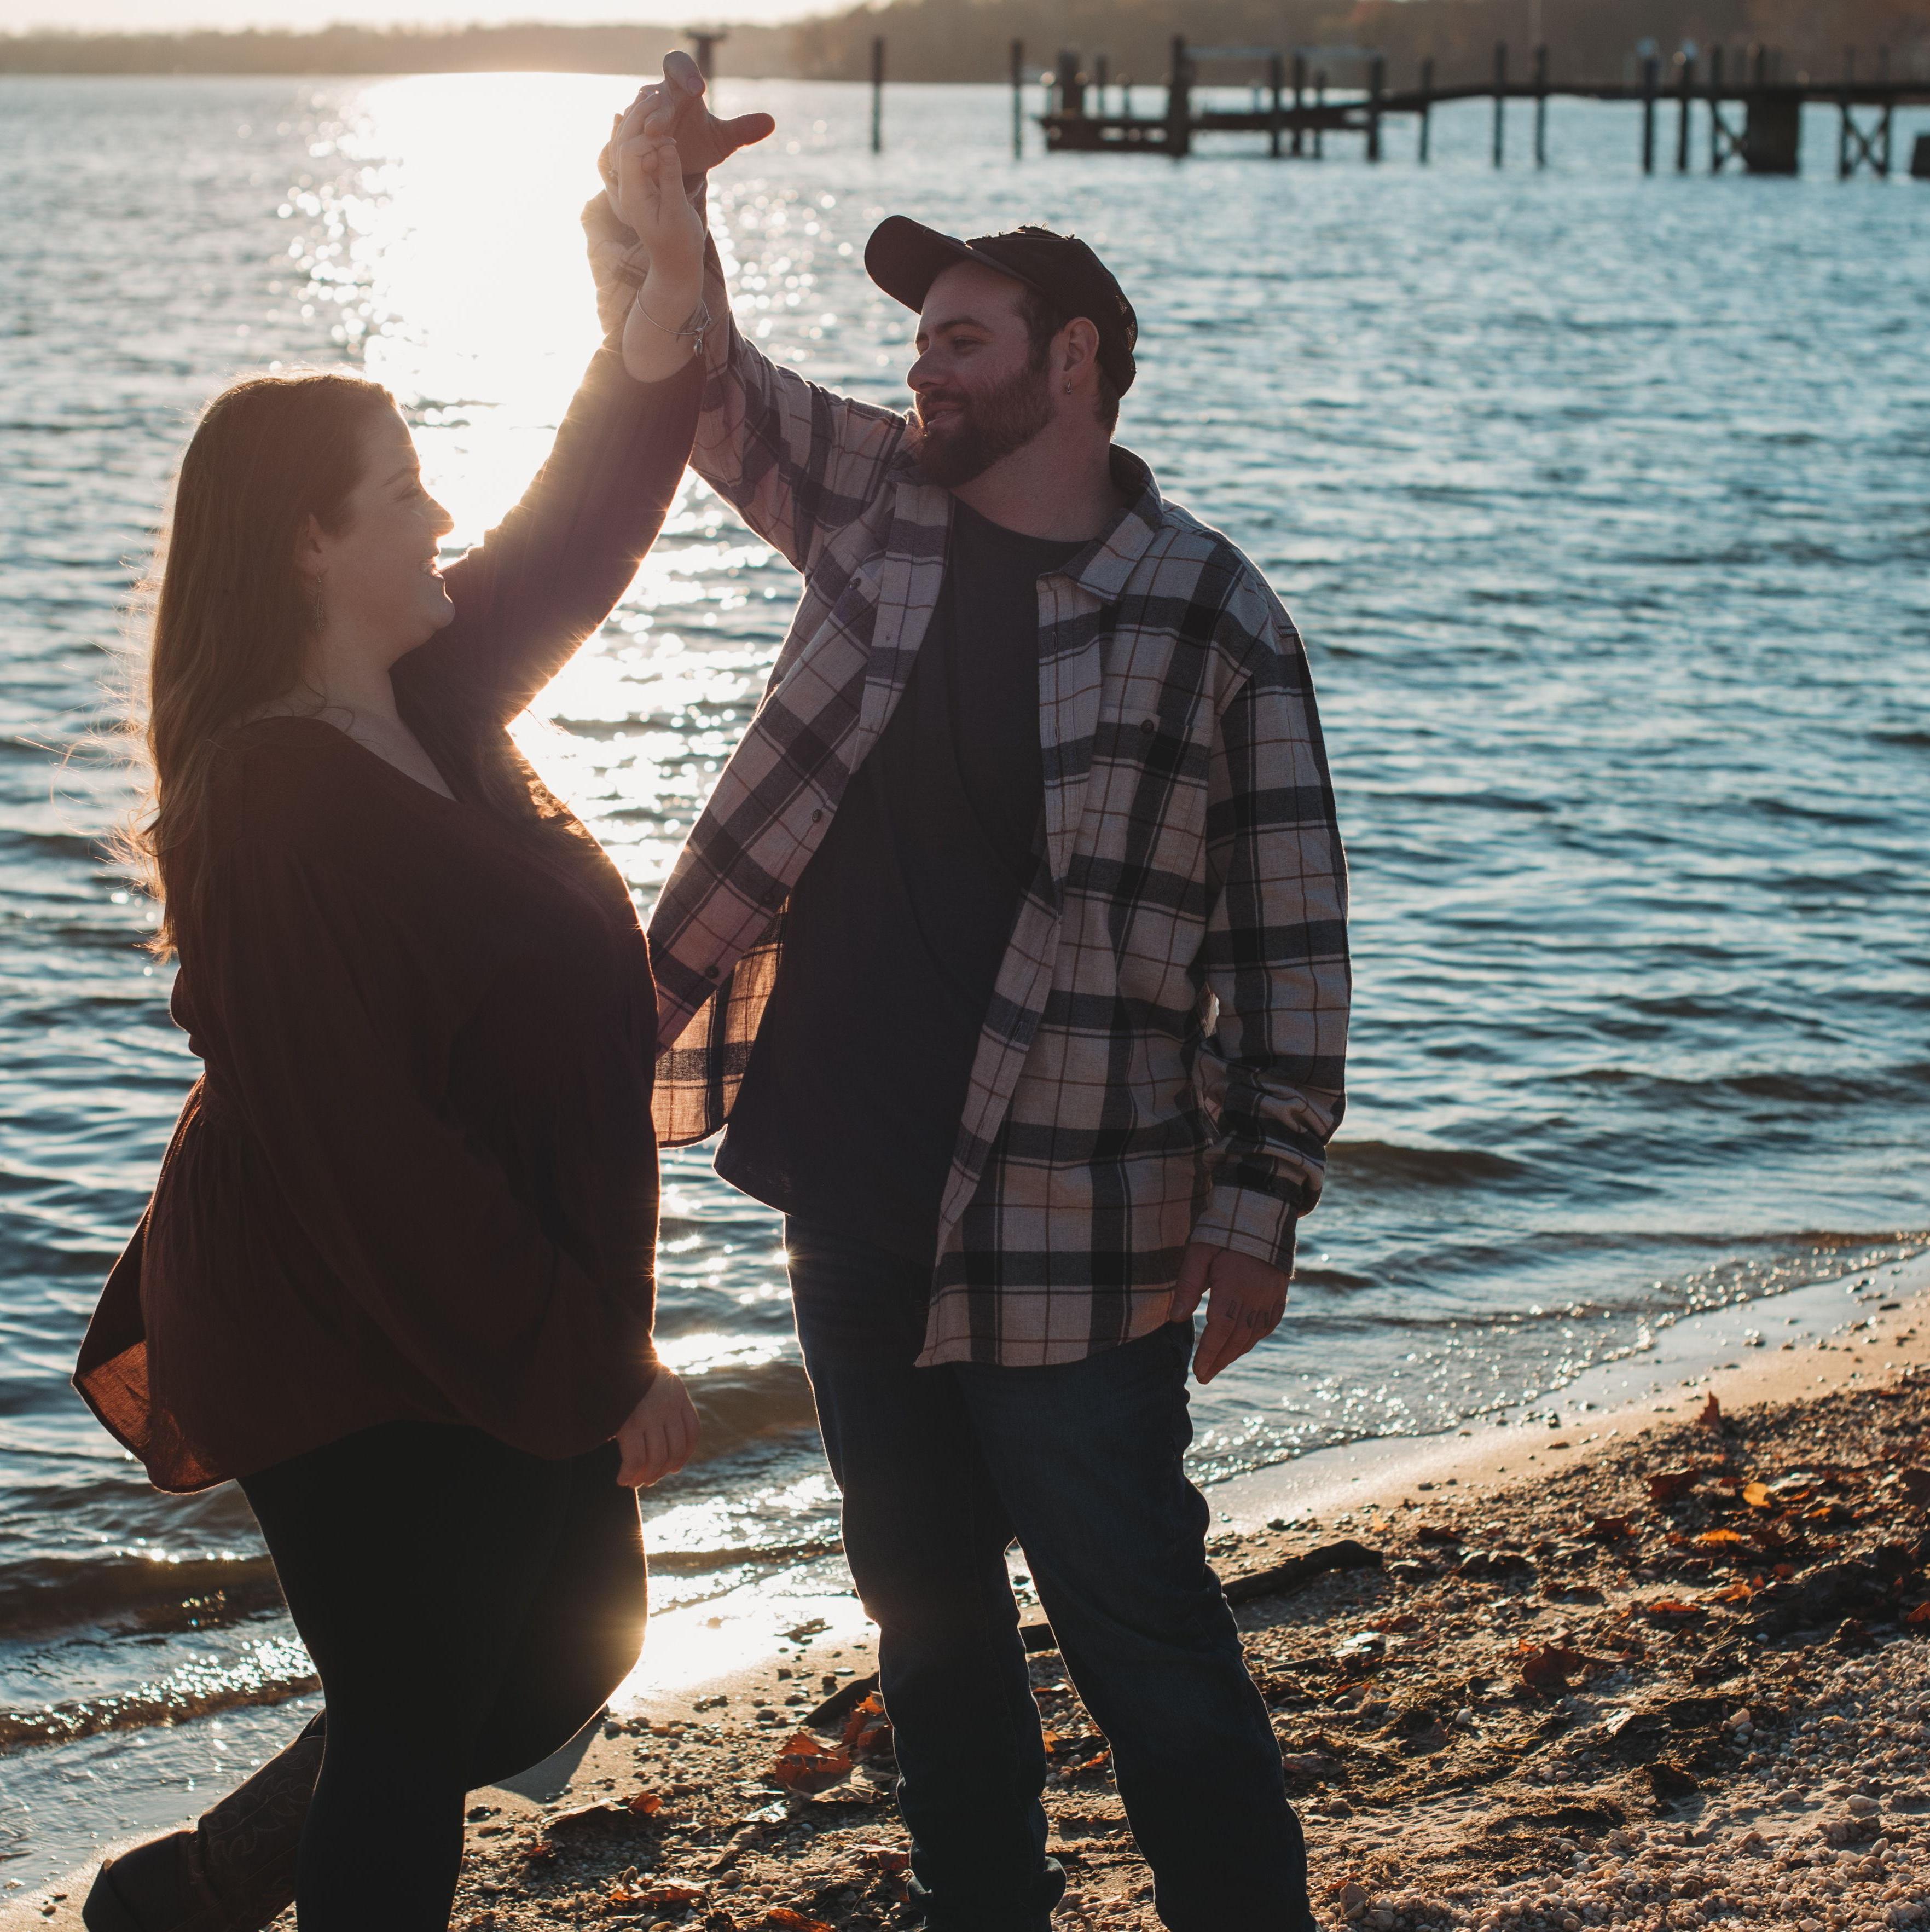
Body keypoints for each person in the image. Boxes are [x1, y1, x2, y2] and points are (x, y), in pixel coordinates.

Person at [606, 56, 1350, 1932]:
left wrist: (1257, 1214)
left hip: (1075, 1215)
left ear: (1077, 358)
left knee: (1143, 1626)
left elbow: (1288, 941)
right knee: (926, 1625)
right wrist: (659, 199)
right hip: (848, 1190)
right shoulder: (880, 503)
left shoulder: (1213, 616)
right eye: (919, 343)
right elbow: (696, 382)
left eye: (962, 338)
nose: (924, 369)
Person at [72, 124, 715, 1932]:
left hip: (451, 1287)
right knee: (430, 1699)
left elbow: (579, 528)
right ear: (307, 539)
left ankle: (202, 1892)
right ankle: (232, 1885)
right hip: (333, 1316)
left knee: (561, 1639)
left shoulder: (419, 692)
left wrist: (663, 285)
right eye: (404, 488)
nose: (441, 515)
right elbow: (373, 1153)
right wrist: (593, 1362)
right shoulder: (267, 807)